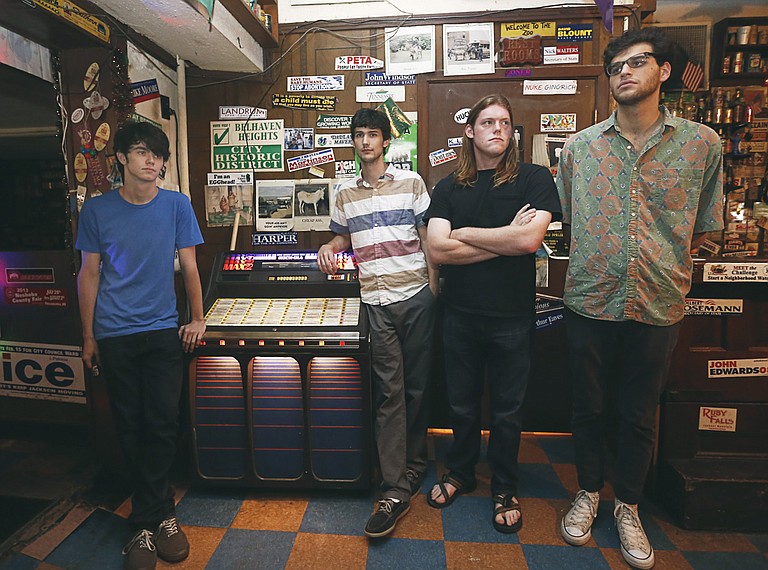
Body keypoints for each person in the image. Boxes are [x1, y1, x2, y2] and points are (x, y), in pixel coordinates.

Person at [556, 27, 723, 570]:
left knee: (638, 414)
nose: (624, 72)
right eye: (616, 67)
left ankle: (627, 504)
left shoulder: (702, 144)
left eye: (637, 62)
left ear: (663, 72)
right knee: (587, 408)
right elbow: (572, 220)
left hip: (656, 302)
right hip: (589, 299)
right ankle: (587, 492)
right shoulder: (580, 147)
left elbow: (702, 227)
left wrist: (659, 260)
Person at [424, 94, 561, 533]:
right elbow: (438, 250)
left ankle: (504, 486)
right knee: (461, 406)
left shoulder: (535, 178)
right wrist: (503, 238)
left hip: (512, 319)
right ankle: (462, 473)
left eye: (504, 122)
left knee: (507, 411)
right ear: (470, 131)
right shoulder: (448, 187)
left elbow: (528, 243)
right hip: (459, 315)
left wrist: (467, 234)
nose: (497, 129)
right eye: (487, 123)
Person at [77, 121, 206, 570]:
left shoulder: (176, 205)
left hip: (160, 330)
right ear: (121, 159)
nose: (153, 161)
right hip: (114, 333)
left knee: (164, 423)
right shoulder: (96, 211)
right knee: (130, 426)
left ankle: (146, 520)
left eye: (158, 155)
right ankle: (156, 518)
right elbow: (88, 273)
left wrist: (196, 317)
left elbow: (189, 265)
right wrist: (89, 335)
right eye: (142, 152)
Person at [317, 108, 437, 538]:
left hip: (416, 296)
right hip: (376, 302)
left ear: (386, 141)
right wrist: (329, 247)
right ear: (352, 141)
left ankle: (416, 463)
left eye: (373, 134)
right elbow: (342, 236)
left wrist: (434, 289)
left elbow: (428, 239)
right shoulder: (344, 191)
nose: (366, 141)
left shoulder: (412, 182)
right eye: (359, 134)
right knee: (390, 390)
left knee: (418, 387)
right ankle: (393, 485)